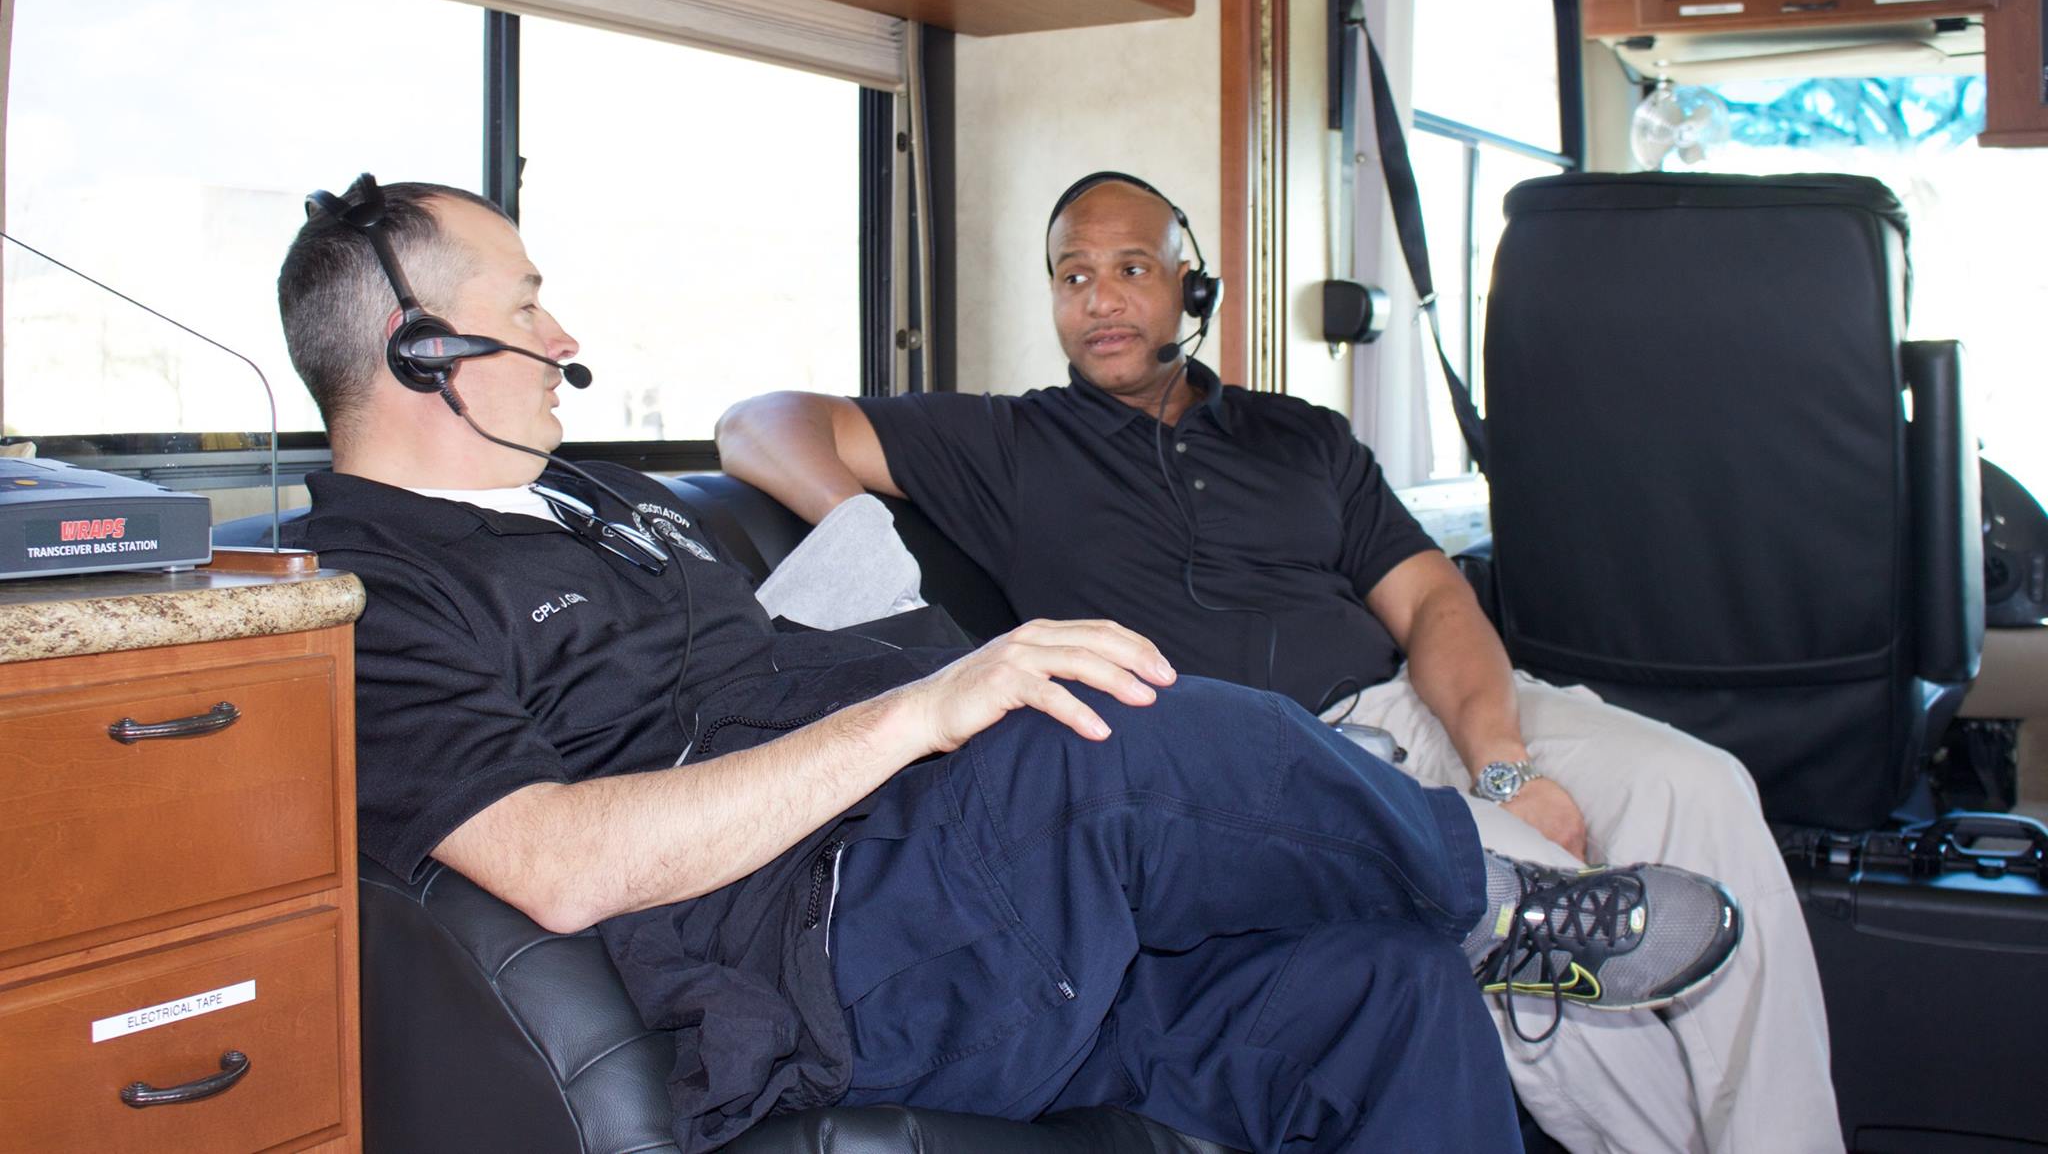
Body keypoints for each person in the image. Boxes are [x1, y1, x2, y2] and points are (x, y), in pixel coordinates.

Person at [276, 176, 1742, 1154]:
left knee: (1386, 990)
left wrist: (921, 664)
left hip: (983, 897)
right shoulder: (366, 591)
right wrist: (934, 710)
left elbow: (791, 655)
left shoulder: (608, 505)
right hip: (836, 941)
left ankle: (1447, 917)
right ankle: (1497, 897)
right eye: (527, 304)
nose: (563, 333)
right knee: (1111, 719)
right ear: (418, 350)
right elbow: (555, 864)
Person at [716, 171, 1841, 1154]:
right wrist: (861, 544)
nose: (1099, 298)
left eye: (1129, 267)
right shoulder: (1005, 443)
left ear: (1190, 289)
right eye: (1070, 275)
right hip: (1266, 763)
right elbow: (760, 423)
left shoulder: (1302, 436)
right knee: (1521, 899)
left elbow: (1433, 602)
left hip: (1419, 705)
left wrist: (1498, 759)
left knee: (1702, 788)